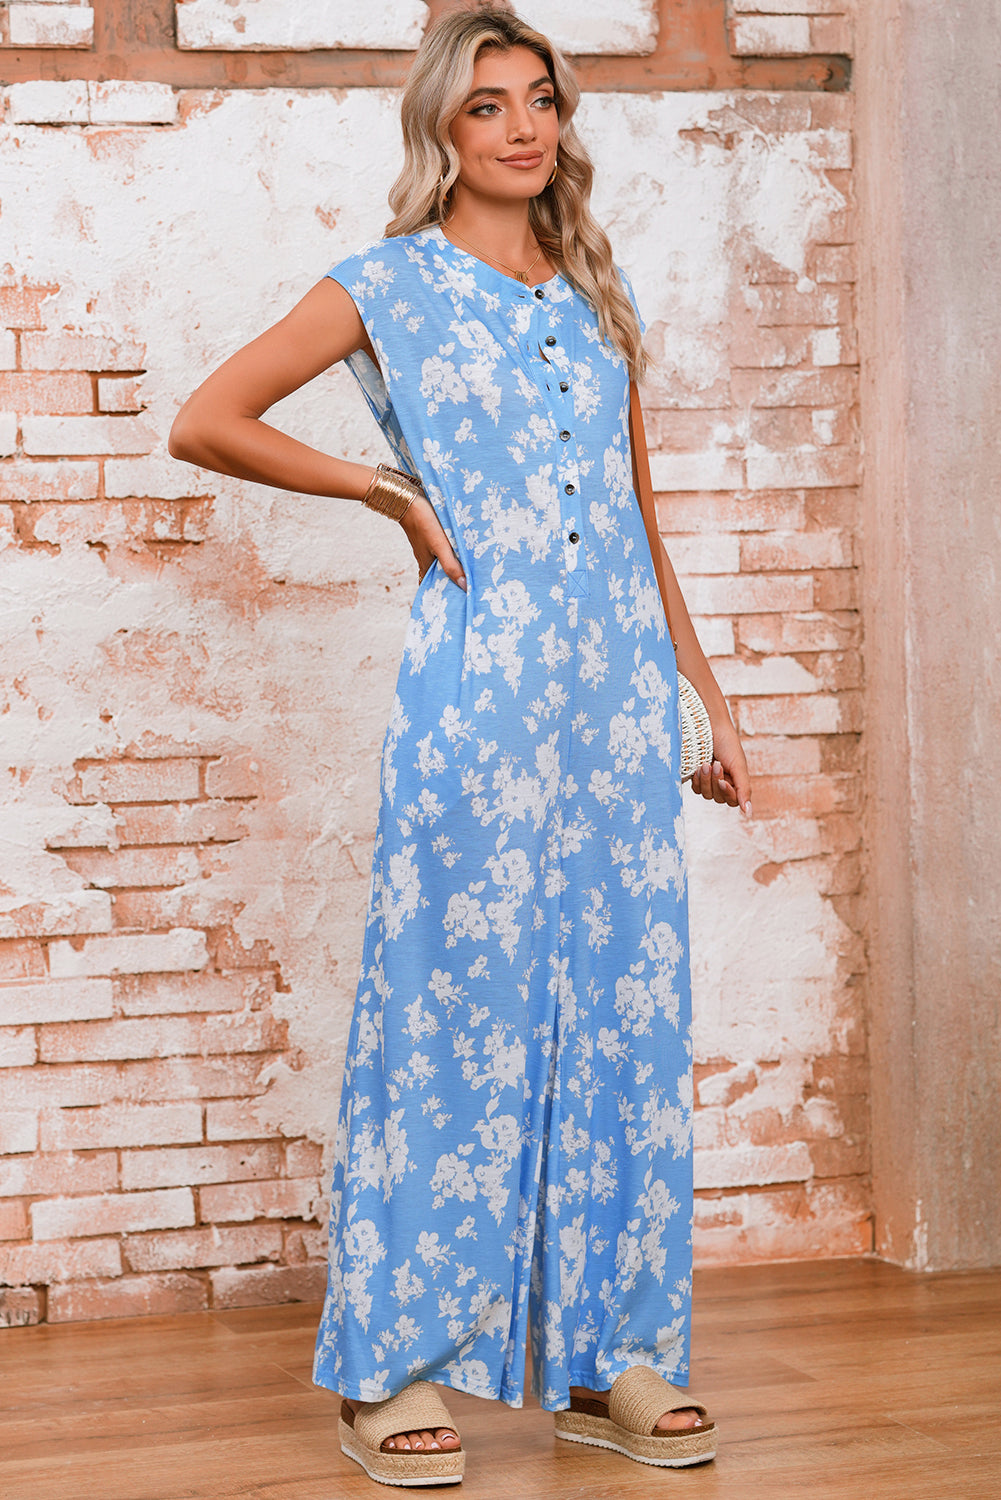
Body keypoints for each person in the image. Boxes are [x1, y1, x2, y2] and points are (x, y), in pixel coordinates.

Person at [170, 4, 751, 1488]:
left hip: (614, 708)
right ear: (441, 128)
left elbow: (636, 519)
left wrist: (705, 699)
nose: (520, 125)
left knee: (619, 1024)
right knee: (448, 1020)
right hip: (477, 703)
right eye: (487, 104)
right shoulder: (387, 287)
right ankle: (390, 1369)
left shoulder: (593, 297)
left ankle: (606, 1356)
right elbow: (208, 418)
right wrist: (388, 494)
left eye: (539, 99)